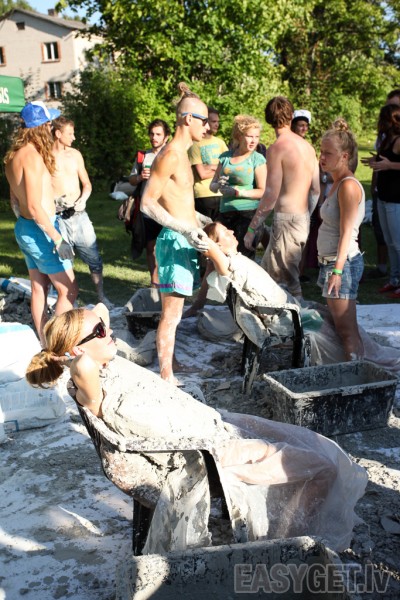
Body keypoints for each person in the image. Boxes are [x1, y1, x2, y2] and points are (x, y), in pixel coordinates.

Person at [25, 303, 367, 554]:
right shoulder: (91, 385)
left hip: (213, 429)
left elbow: (99, 311)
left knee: (305, 444)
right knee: (322, 467)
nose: (109, 331)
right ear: (77, 351)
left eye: (105, 326)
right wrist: (66, 354)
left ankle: (289, 530)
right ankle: (287, 543)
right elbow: (82, 362)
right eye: (101, 332)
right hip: (209, 455)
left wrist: (93, 329)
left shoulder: (105, 364)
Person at [141, 82, 212, 384]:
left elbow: (176, 200)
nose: (207, 127)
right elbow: (147, 203)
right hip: (173, 241)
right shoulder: (170, 154)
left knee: (177, 312)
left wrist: (199, 219)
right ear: (188, 119)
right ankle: (166, 375)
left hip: (185, 238)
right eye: (203, 120)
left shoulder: (183, 154)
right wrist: (183, 228)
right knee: (171, 314)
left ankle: (173, 364)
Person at [4, 101, 77, 346]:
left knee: (39, 288)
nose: (50, 128)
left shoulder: (13, 156)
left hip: (26, 227)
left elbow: (15, 200)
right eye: (48, 123)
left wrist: (29, 221)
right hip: (41, 229)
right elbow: (35, 206)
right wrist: (57, 239)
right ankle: (58, 344)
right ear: (41, 126)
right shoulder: (32, 157)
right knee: (68, 290)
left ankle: (45, 341)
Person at [244, 96, 320, 299]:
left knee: (283, 283)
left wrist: (252, 228)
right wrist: (306, 216)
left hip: (287, 220)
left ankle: (300, 318)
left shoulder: (277, 149)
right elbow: (315, 190)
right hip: (302, 218)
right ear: (291, 116)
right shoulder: (308, 147)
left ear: (269, 119)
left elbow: (271, 194)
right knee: (276, 278)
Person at [317, 118, 365, 360]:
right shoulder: (335, 183)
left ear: (344, 156)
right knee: (343, 329)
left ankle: (356, 372)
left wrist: (336, 271)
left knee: (347, 332)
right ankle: (354, 367)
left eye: (328, 153)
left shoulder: (348, 186)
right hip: (332, 262)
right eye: (321, 151)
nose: (322, 157)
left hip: (341, 265)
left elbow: (347, 232)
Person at [51, 117, 112, 308]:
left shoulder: (75, 155)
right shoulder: (45, 157)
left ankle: (101, 296)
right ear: (58, 134)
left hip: (79, 216)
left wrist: (83, 198)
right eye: (70, 133)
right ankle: (66, 301)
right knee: (61, 262)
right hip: (57, 218)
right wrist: (53, 202)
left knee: (94, 259)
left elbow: (86, 184)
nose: (74, 137)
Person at [209, 114, 267, 259]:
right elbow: (212, 186)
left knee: (242, 259)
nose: (254, 141)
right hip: (224, 213)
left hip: (248, 215)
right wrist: (218, 185)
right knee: (219, 257)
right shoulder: (225, 157)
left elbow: (263, 191)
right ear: (240, 136)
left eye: (257, 137)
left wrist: (237, 192)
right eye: (250, 136)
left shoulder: (257, 159)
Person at [361, 90, 400, 280]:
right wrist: (375, 161)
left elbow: (392, 162)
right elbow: (386, 158)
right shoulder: (386, 139)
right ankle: (394, 279)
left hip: (395, 198)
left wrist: (389, 165)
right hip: (383, 196)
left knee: (397, 243)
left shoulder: (398, 140)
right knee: (389, 241)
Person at [128, 119, 171, 285]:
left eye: (158, 134)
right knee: (151, 246)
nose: (154, 137)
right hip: (148, 207)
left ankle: (169, 280)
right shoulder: (143, 156)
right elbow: (131, 179)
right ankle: (155, 282)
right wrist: (140, 177)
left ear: (166, 137)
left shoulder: (171, 155)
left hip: (168, 207)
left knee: (169, 245)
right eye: (152, 134)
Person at [188, 107, 228, 221]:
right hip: (203, 196)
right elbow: (202, 174)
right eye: (213, 121)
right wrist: (219, 169)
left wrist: (210, 167)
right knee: (206, 229)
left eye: (218, 121)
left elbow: (228, 169)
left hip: (221, 193)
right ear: (205, 122)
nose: (217, 124)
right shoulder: (195, 144)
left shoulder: (220, 143)